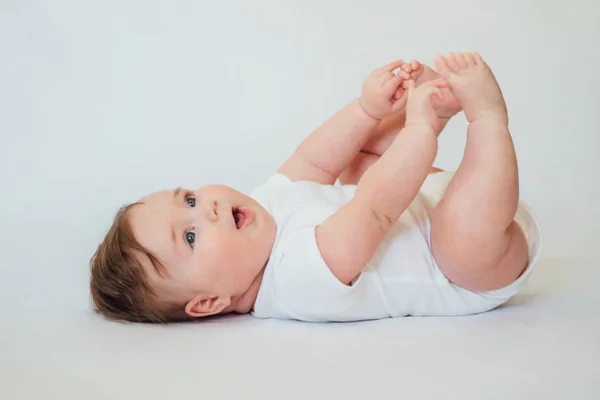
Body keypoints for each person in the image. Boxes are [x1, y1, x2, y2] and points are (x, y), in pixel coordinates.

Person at [90, 51, 542, 323]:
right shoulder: (294, 282)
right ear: (209, 302)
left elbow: (315, 160)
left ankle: (435, 107)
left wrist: (367, 110)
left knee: (357, 162)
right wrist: (417, 131)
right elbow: (373, 210)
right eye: (189, 236)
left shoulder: (260, 211)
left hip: (429, 200)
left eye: (188, 198)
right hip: (473, 266)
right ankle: (487, 118)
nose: (204, 209)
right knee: (457, 241)